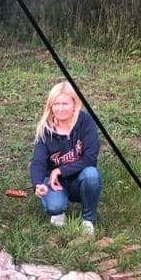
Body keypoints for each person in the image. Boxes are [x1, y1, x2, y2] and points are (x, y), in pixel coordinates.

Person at [29, 80, 102, 236]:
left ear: (75, 104)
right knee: (54, 207)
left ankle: (87, 219)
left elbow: (90, 158)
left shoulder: (85, 122)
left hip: (79, 177)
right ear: (50, 106)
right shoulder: (45, 129)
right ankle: (58, 209)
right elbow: (38, 162)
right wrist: (37, 184)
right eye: (56, 104)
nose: (60, 108)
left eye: (65, 103)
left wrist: (60, 170)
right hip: (54, 183)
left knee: (92, 175)